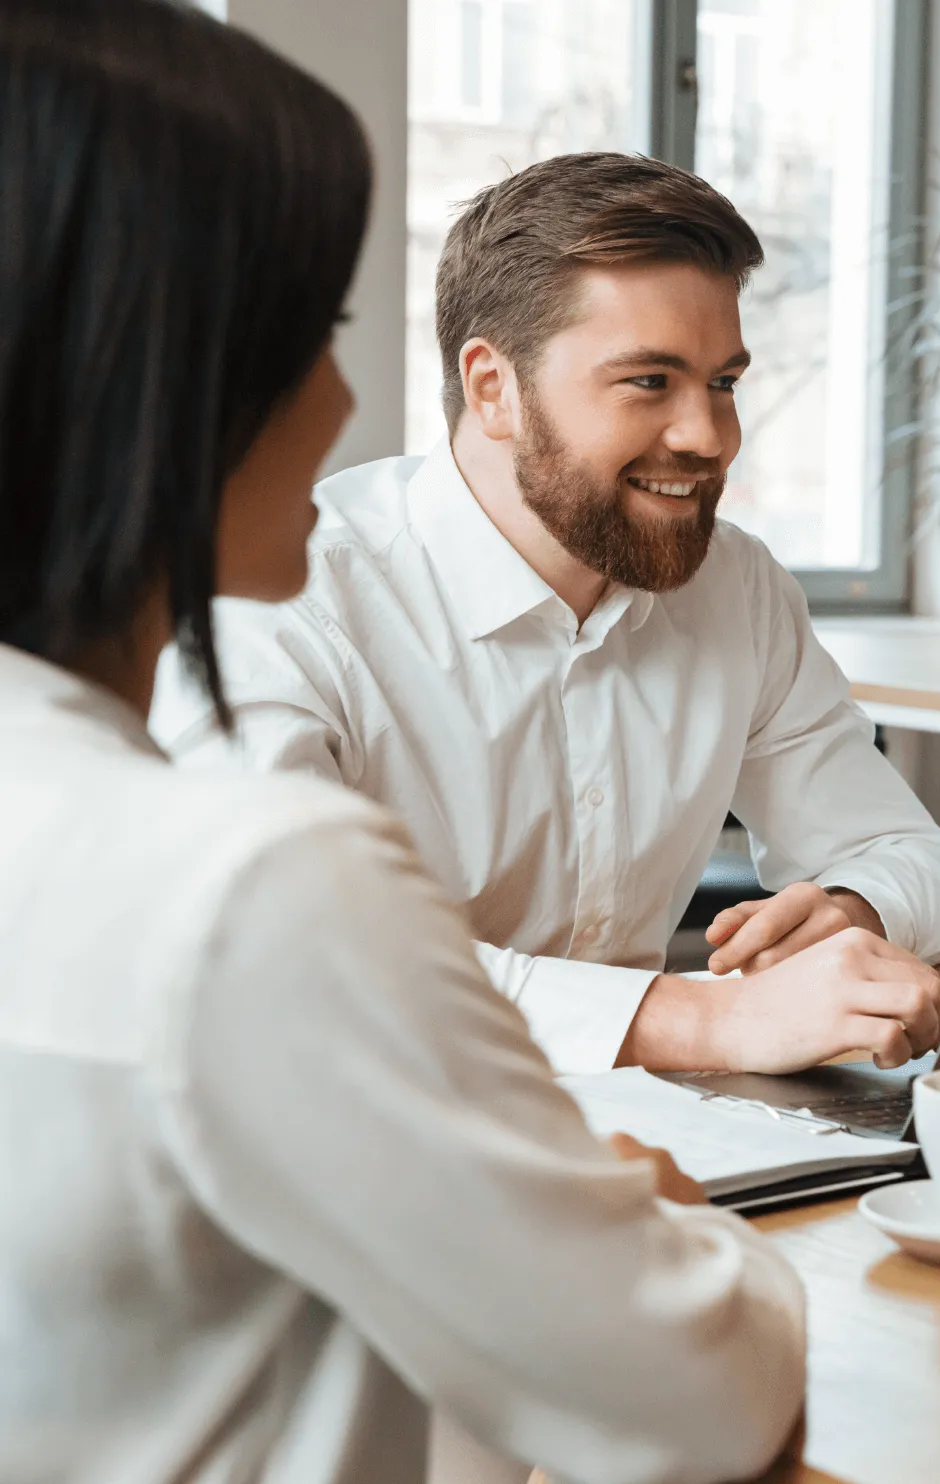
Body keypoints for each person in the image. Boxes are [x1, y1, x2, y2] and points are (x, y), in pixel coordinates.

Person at [0, 2, 806, 1479]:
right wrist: (654, 1218)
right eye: (313, 334)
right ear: (167, 384)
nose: (355, 400)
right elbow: (695, 1398)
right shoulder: (248, 882)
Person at [151, 150, 940, 1077]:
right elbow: (288, 961)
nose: (708, 437)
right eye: (649, 382)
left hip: (652, 1142)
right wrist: (697, 1021)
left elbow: (901, 852)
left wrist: (852, 910)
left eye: (723, 382)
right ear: (494, 388)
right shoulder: (285, 594)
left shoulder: (737, 587)